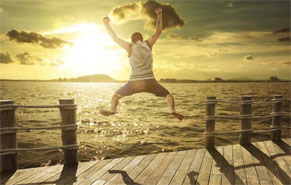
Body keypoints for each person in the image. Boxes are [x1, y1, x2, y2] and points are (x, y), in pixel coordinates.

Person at [100, 7, 184, 121]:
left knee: (116, 96)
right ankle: (172, 110)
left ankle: (112, 109)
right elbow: (158, 31)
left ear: (132, 40)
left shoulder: (129, 47)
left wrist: (106, 24)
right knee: (167, 96)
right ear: (142, 39)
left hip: (134, 82)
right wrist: (159, 14)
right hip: (150, 81)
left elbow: (115, 37)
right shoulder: (148, 45)